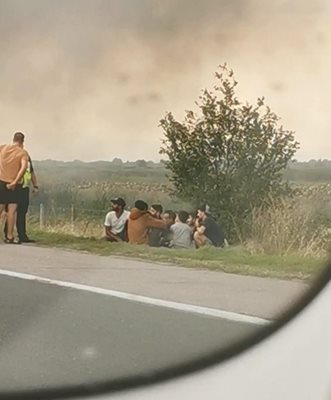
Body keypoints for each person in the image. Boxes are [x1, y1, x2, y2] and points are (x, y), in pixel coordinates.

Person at [0, 132, 29, 244]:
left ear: (13, 139)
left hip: (1, 181)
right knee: (12, 211)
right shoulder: (22, 153)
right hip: (13, 184)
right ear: (22, 141)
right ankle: (10, 236)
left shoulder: (3, 148)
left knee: (0, 209)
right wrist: (15, 181)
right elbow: (23, 168)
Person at [4, 155, 39, 243]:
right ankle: (8, 233)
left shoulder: (27, 158)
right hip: (15, 187)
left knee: (22, 212)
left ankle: (22, 235)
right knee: (11, 211)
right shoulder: (13, 158)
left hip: (24, 188)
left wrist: (35, 186)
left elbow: (31, 172)